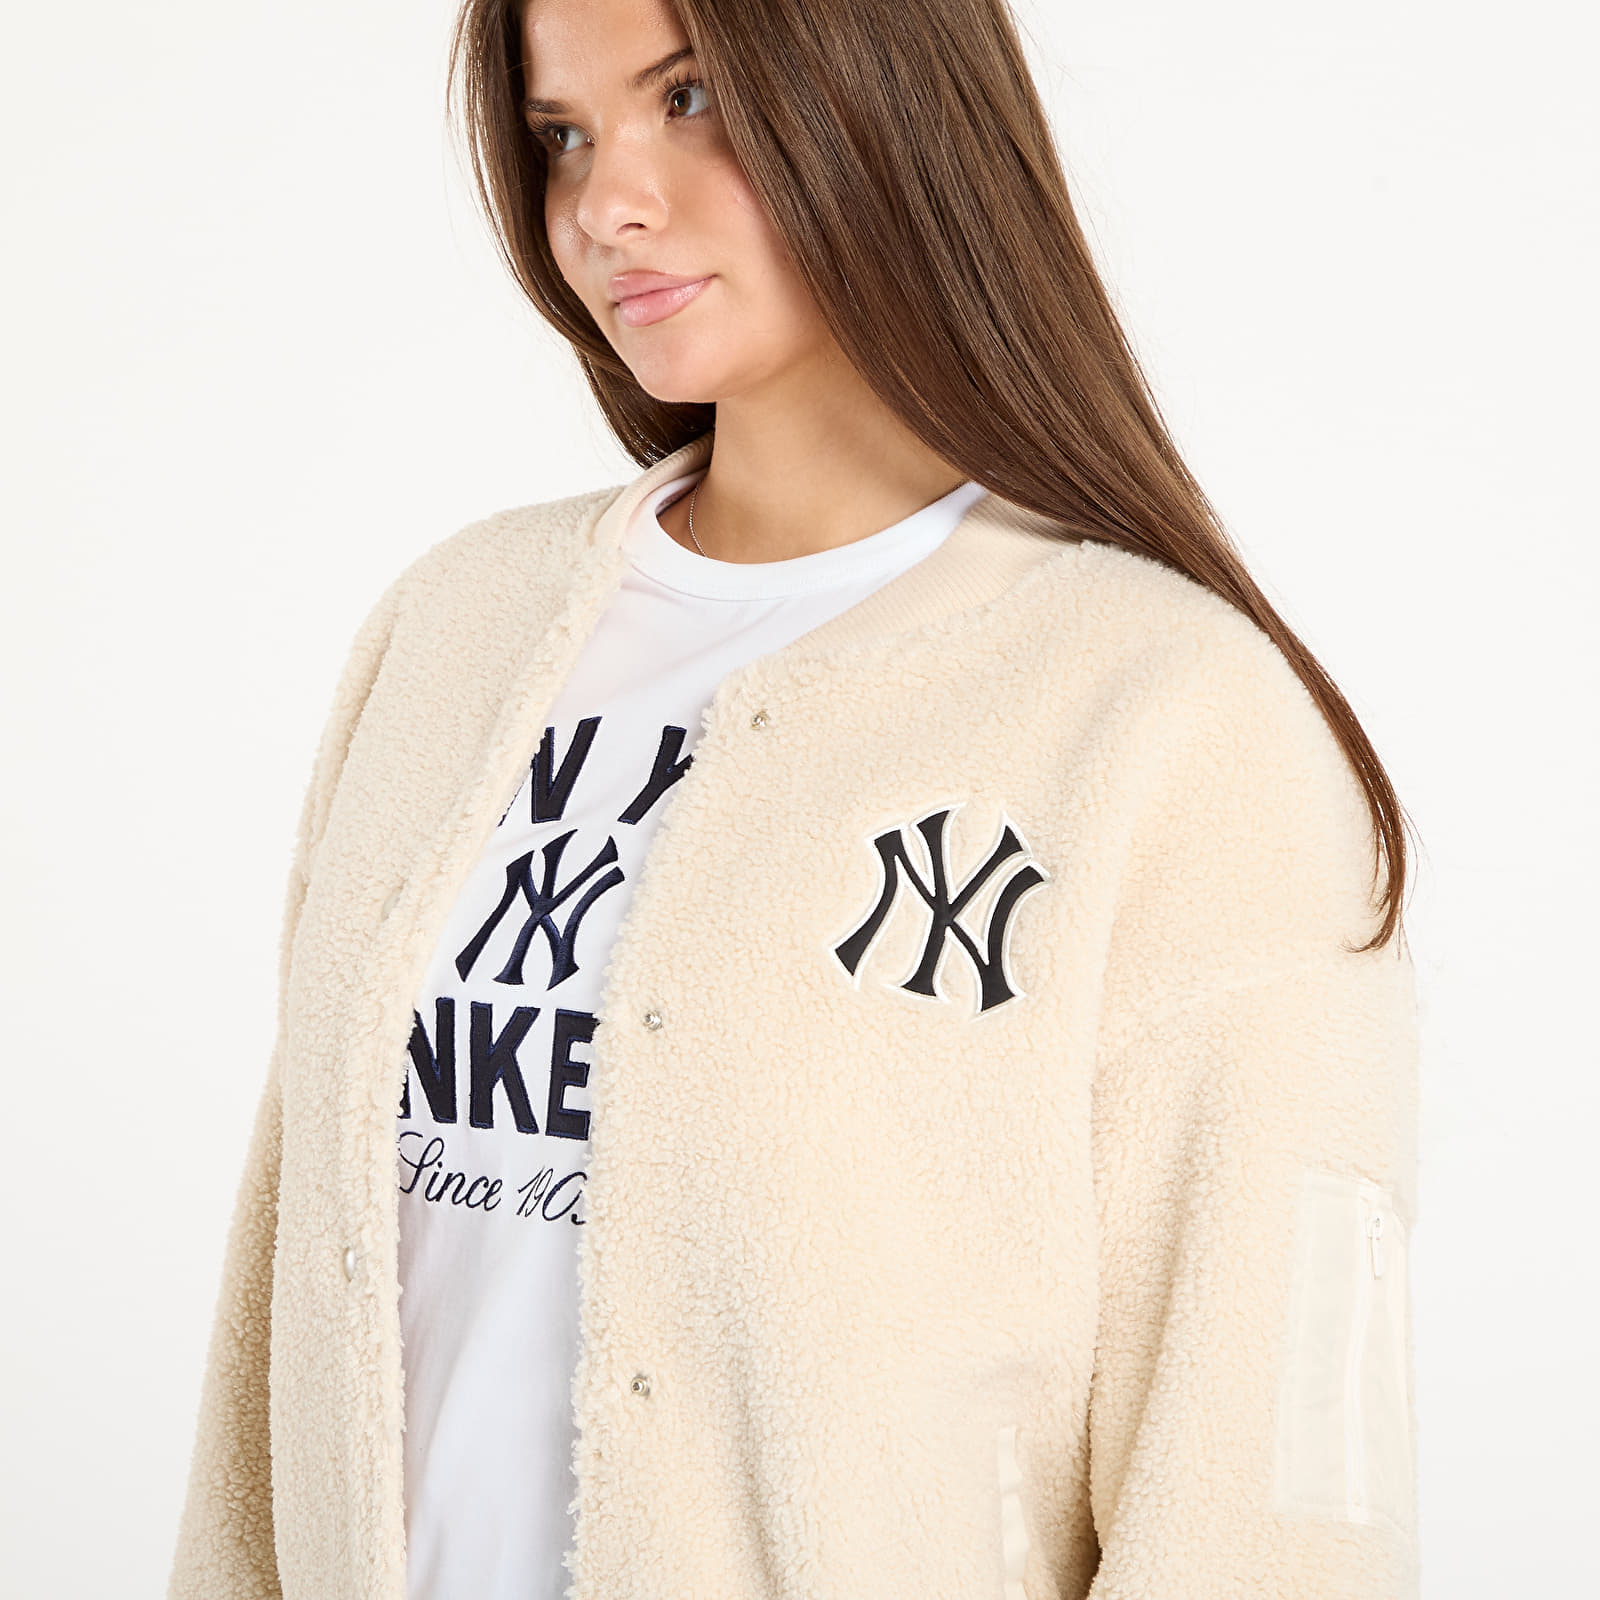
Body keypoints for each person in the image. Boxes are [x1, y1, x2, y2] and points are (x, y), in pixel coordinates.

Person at [168, 0, 1422, 1596]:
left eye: (689, 98)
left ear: (887, 96)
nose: (606, 203)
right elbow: (282, 1319)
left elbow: (1268, 1495)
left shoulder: (1166, 719)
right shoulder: (450, 631)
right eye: (563, 136)